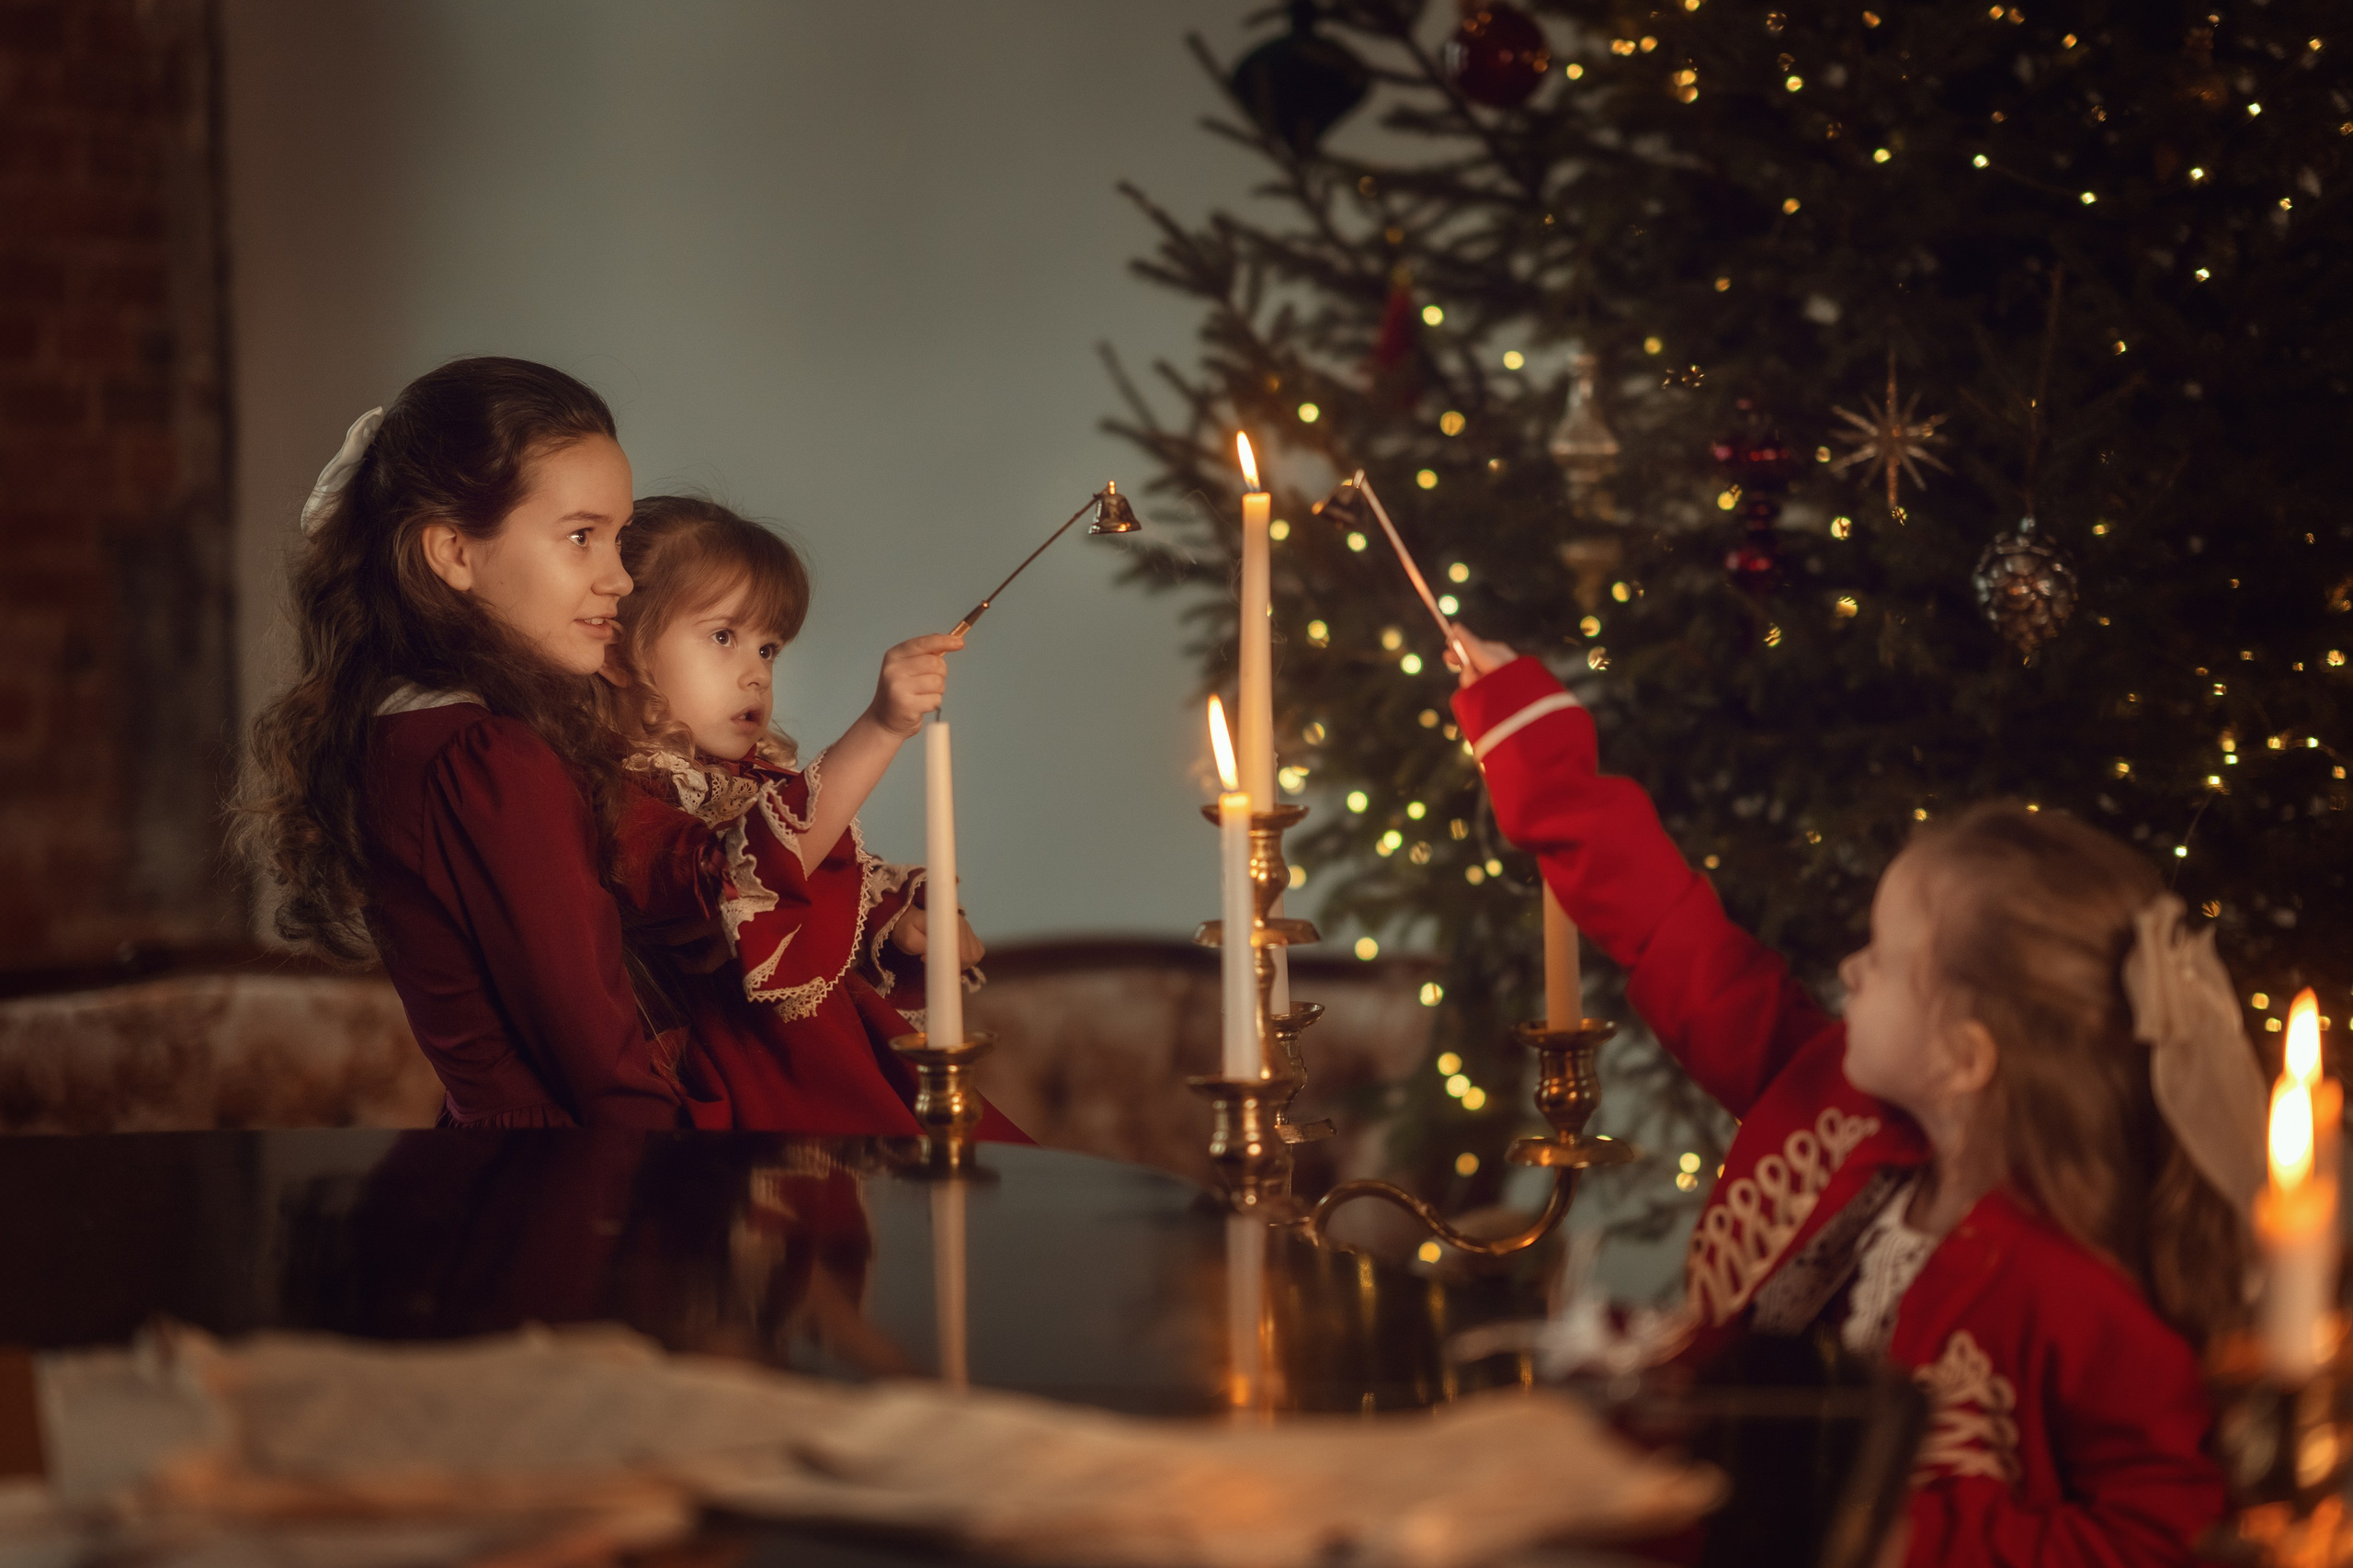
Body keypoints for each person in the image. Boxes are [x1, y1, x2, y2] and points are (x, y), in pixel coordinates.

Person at [1445, 627, 2268, 1564]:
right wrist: (1529, 737)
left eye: (1880, 958)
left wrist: (1898, 1526)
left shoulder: (2084, 1292)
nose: (1848, 968)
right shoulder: (1841, 1110)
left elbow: (2163, 1530)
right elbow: (1677, 943)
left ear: (1963, 1055)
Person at [238, 357, 687, 1128]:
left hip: (489, 1169)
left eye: (619, 539)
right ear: (452, 552)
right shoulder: (486, 762)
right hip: (573, 1195)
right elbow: (602, 1065)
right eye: (582, 536)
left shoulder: (403, 732)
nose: (620, 578)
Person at [597, 494, 1024, 1139]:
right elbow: (738, 878)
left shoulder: (749, 783)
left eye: (768, 649)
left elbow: (819, 879)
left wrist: (897, 919)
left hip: (834, 1056)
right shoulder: (620, 793)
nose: (755, 675)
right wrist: (880, 728)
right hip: (756, 1080)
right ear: (621, 653)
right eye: (723, 637)